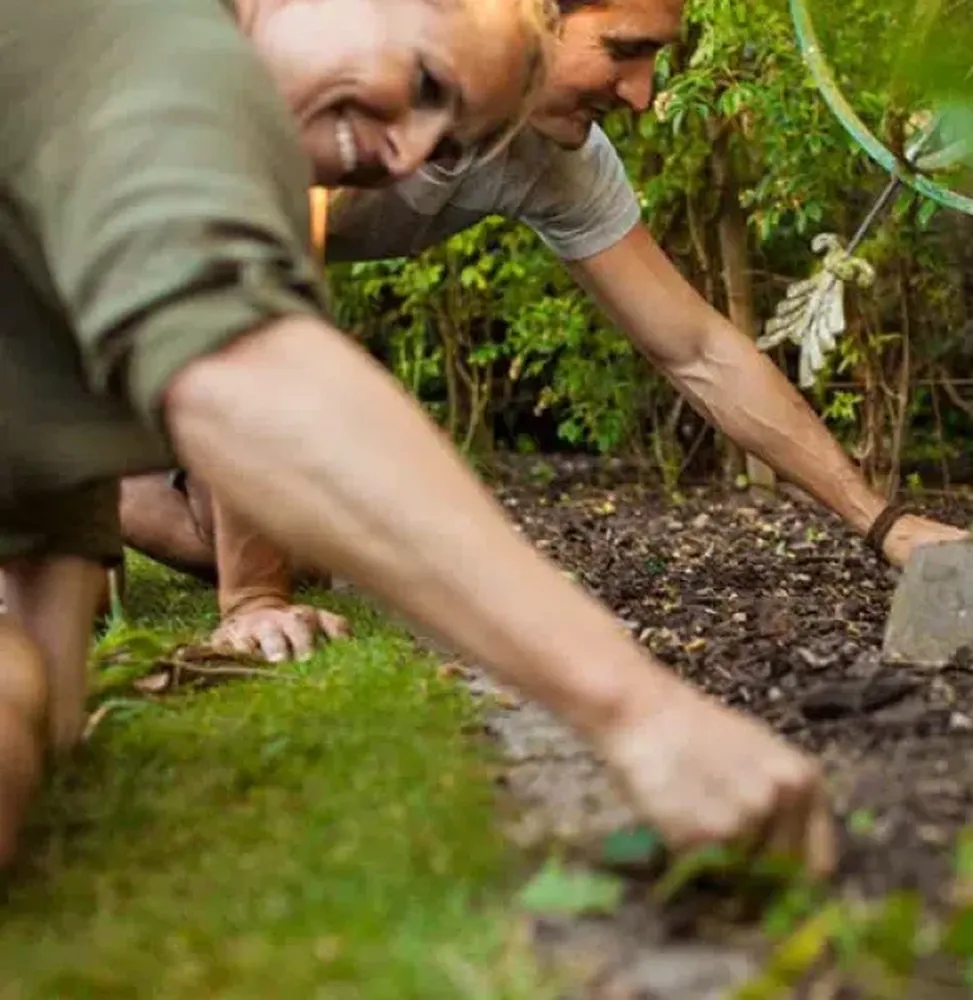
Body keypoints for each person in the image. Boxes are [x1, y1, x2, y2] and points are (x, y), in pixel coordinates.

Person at [0, 0, 836, 877]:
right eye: (426, 83)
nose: (400, 158)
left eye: (444, 145)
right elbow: (251, 377)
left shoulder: (140, 147)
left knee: (39, 710)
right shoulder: (158, 41)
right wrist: (640, 709)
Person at [112, 0, 972, 664]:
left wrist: (882, 523)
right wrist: (252, 603)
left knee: (299, 543)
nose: (640, 96)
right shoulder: (345, 62)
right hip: (80, 259)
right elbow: (261, 312)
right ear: (530, 14)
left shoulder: (556, 157)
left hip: (180, 313)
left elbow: (698, 349)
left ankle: (103, 480)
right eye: (622, 49)